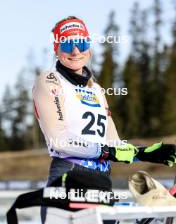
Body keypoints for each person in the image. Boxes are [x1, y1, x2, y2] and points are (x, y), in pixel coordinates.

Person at [32, 16, 176, 223]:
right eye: (66, 44)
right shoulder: (50, 80)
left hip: (101, 180)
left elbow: (113, 143)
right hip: (70, 176)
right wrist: (107, 151)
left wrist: (147, 153)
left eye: (81, 43)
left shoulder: (97, 90)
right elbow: (59, 140)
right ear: (56, 48)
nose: (75, 51)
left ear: (89, 48)